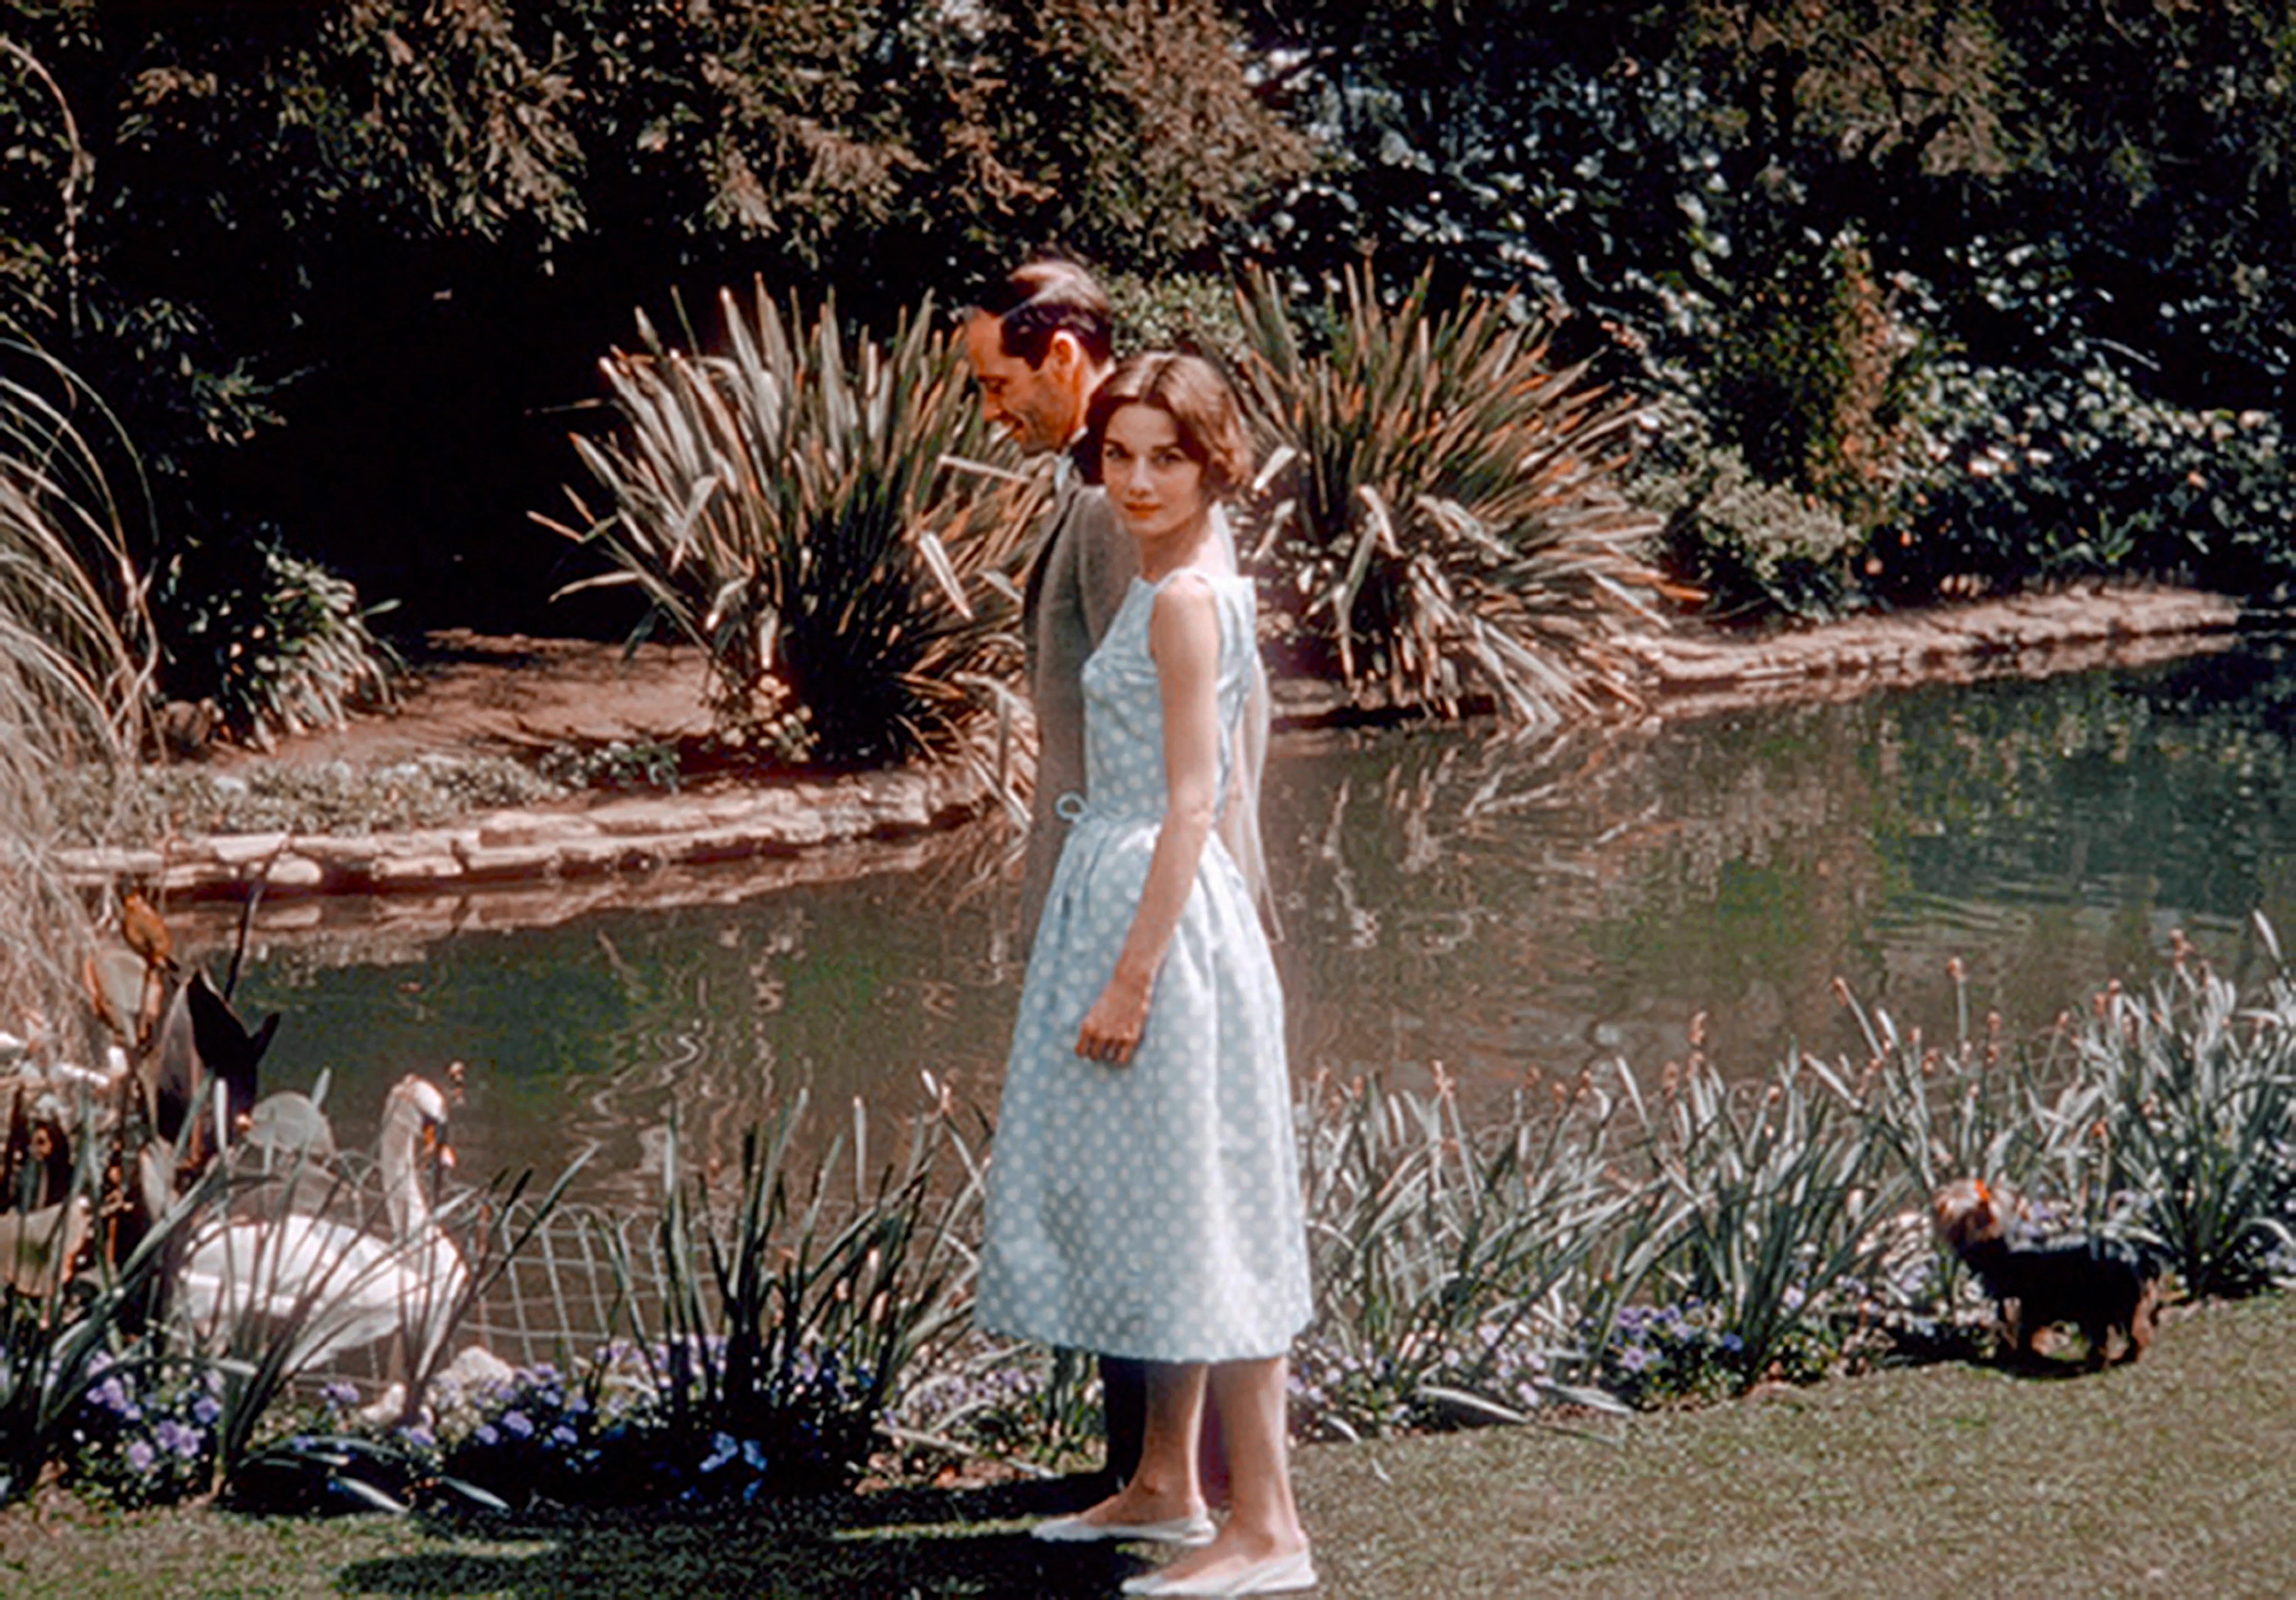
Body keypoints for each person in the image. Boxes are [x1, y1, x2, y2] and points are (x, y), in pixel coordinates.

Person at [977, 353, 1314, 1598]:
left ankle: (1268, 1529)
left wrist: (1129, 980)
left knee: (1211, 1216)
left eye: (1163, 457)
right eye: (1117, 455)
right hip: (1131, 897)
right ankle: (1168, 1482)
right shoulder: (1185, 576)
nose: (1133, 479)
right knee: (1174, 1203)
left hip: (1158, 917)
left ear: (1211, 460)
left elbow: (1193, 805)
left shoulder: (1183, 601)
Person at [961, 258, 1153, 1490]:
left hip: (1118, 888)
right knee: (1104, 1179)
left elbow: (1160, 715)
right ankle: (1134, 1466)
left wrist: (1121, 935)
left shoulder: (1109, 507)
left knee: (1132, 1178)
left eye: (999, 382)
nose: (990, 412)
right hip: (1093, 878)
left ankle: (1150, 1472)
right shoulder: (1092, 492)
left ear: (1065, 358)